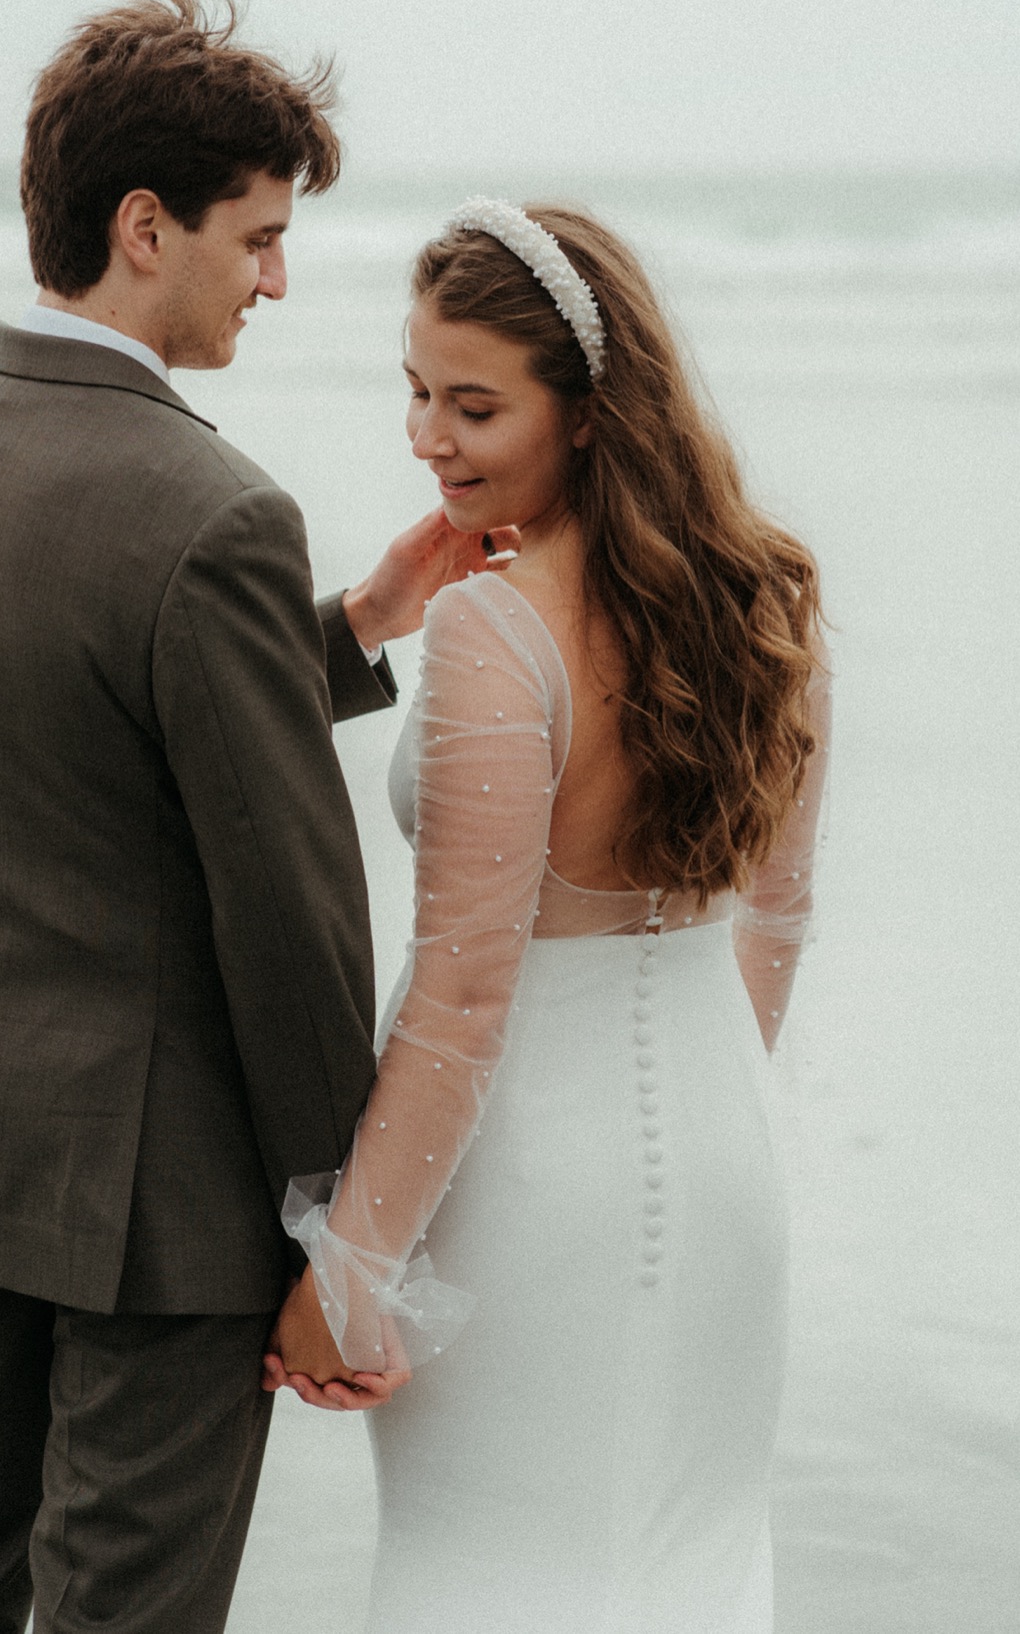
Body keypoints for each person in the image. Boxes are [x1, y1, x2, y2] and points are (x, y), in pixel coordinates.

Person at [0, 0, 502, 1634]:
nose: (277, 279)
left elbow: (68, 740)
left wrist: (350, 626)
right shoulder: (210, 509)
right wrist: (342, 1236)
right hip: (159, 1208)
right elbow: (288, 912)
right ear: (146, 227)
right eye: (258, 237)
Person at [265, 197, 831, 1631]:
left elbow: (463, 988)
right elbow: (776, 917)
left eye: (472, 404)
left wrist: (352, 1264)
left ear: (587, 412)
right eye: (414, 391)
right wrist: (716, 1102)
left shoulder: (499, 629)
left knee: (484, 1572)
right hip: (728, 1154)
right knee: (692, 1564)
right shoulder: (769, 599)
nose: (425, 437)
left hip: (523, 1187)